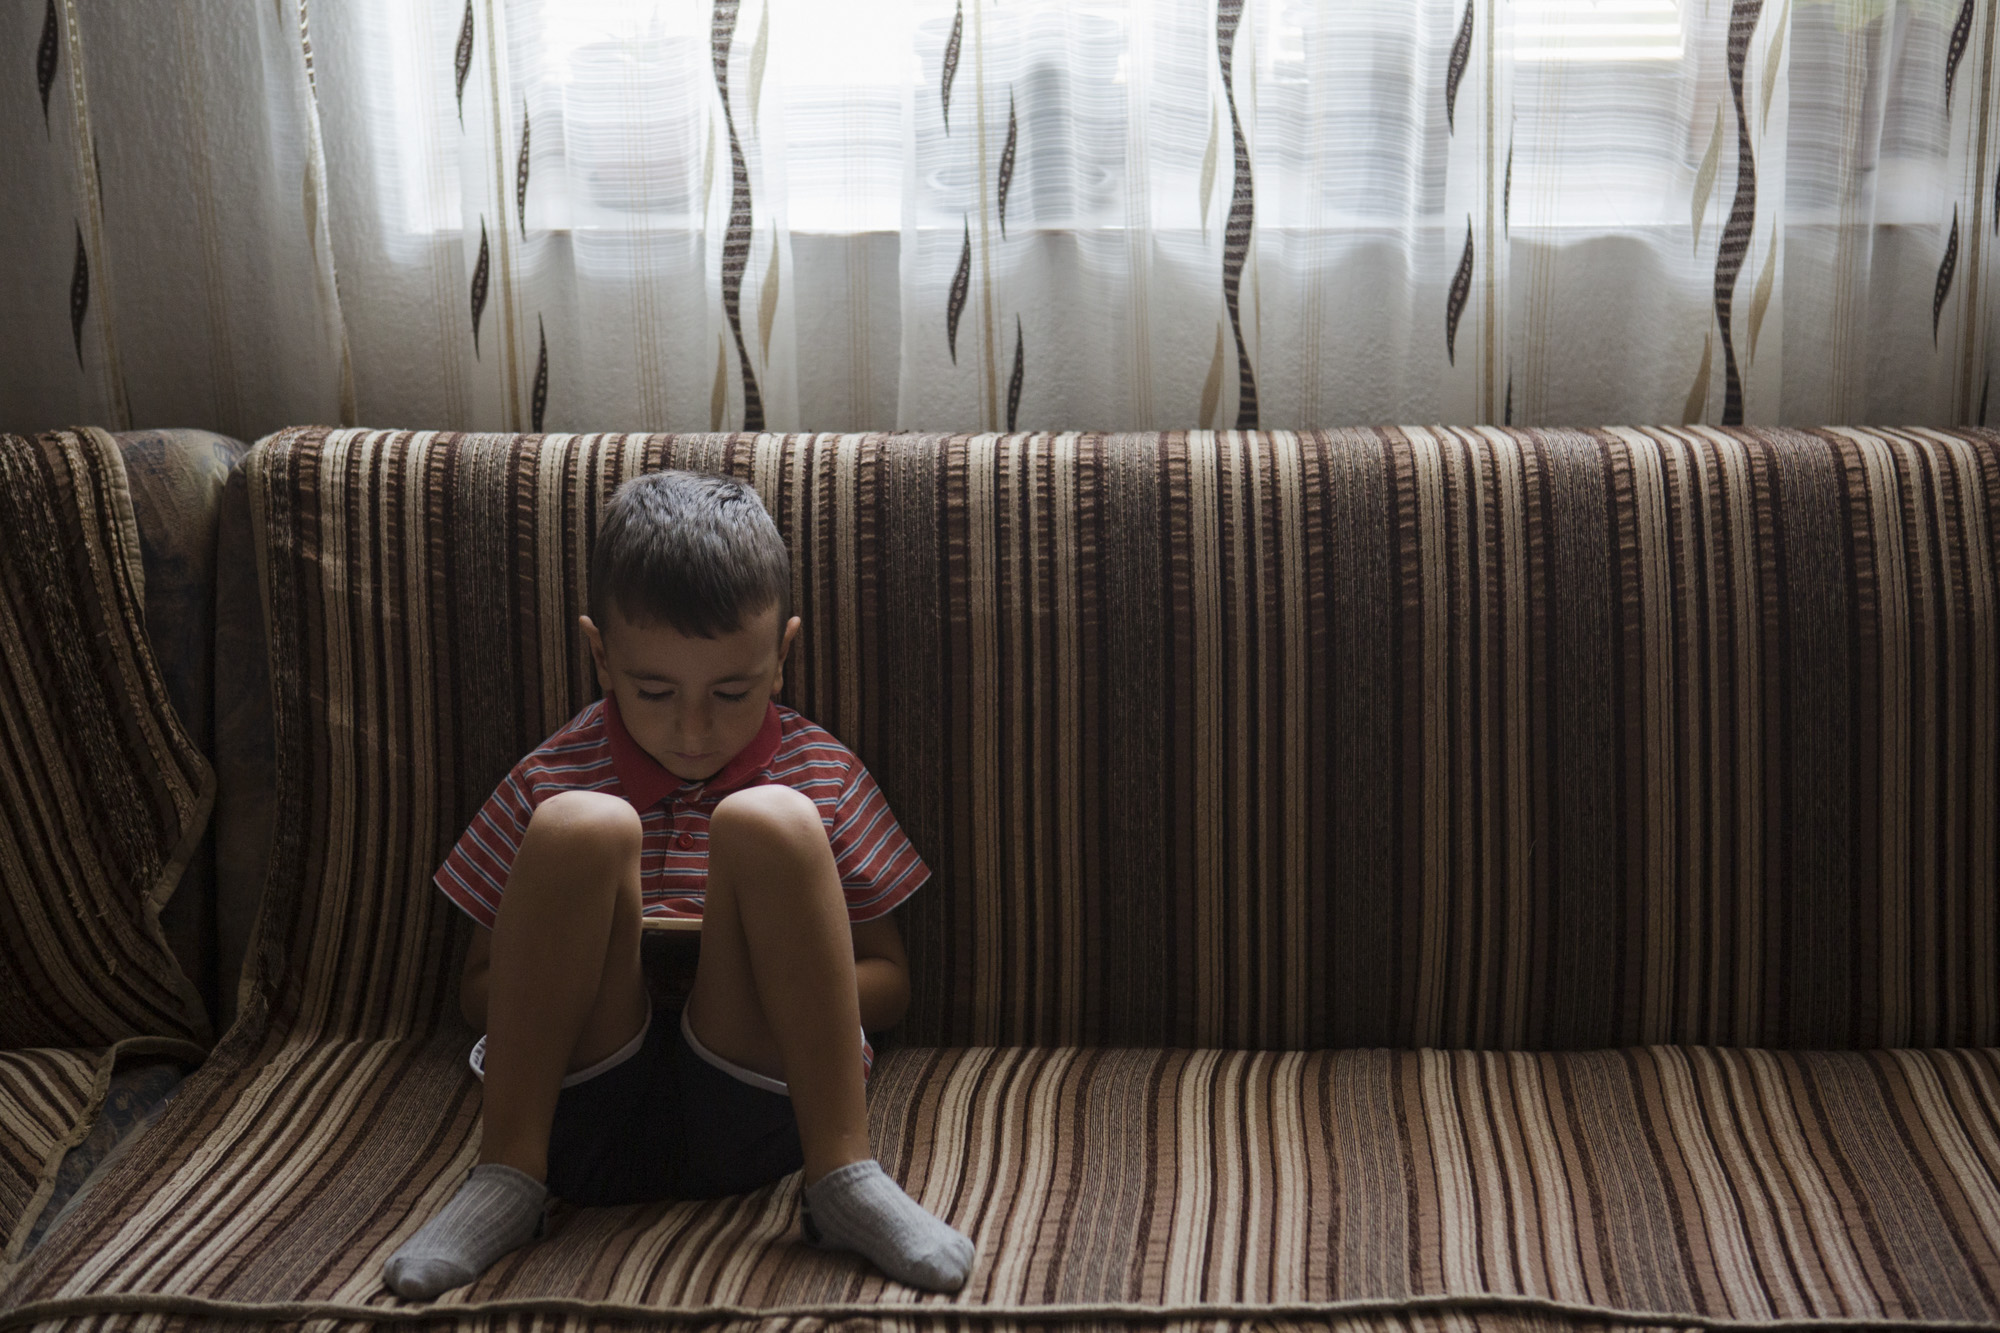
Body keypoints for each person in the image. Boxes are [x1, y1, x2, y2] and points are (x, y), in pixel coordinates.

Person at [382, 469, 975, 1299]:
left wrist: (756, 965)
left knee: (771, 819)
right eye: (654, 691)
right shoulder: (552, 774)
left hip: (757, 1102)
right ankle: (506, 1179)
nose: (692, 729)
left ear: (781, 660)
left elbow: (892, 983)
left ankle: (843, 1177)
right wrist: (614, 957)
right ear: (601, 655)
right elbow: (480, 990)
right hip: (576, 1115)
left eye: (730, 691)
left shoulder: (823, 774)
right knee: (580, 823)